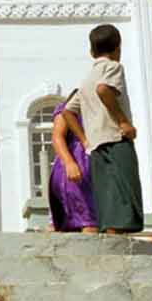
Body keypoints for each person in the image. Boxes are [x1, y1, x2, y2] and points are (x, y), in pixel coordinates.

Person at [63, 24, 143, 234]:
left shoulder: (86, 80)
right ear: (118, 48)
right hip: (116, 140)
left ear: (91, 52)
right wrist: (123, 122)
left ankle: (112, 234)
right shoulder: (113, 67)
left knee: (108, 197)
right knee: (125, 194)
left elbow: (68, 112)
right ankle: (120, 237)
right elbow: (104, 90)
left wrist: (84, 140)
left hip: (96, 146)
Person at [47, 93, 97, 233]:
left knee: (90, 219)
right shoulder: (67, 108)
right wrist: (69, 162)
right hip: (75, 163)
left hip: (93, 165)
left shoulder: (96, 110)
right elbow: (57, 136)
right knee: (87, 219)